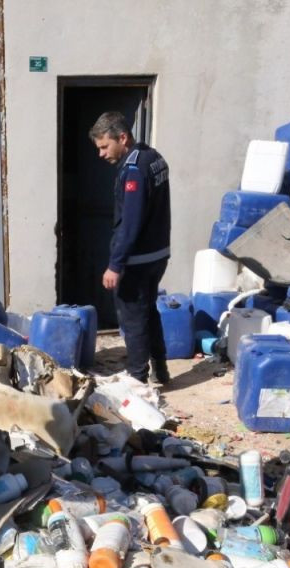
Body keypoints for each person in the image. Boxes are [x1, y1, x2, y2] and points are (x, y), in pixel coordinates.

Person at [89, 111, 173, 385]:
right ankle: (161, 369)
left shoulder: (134, 169)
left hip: (138, 259)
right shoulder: (154, 157)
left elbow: (131, 222)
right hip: (158, 253)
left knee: (133, 319)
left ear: (122, 137)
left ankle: (138, 379)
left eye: (104, 146)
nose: (101, 154)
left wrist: (115, 264)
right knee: (149, 311)